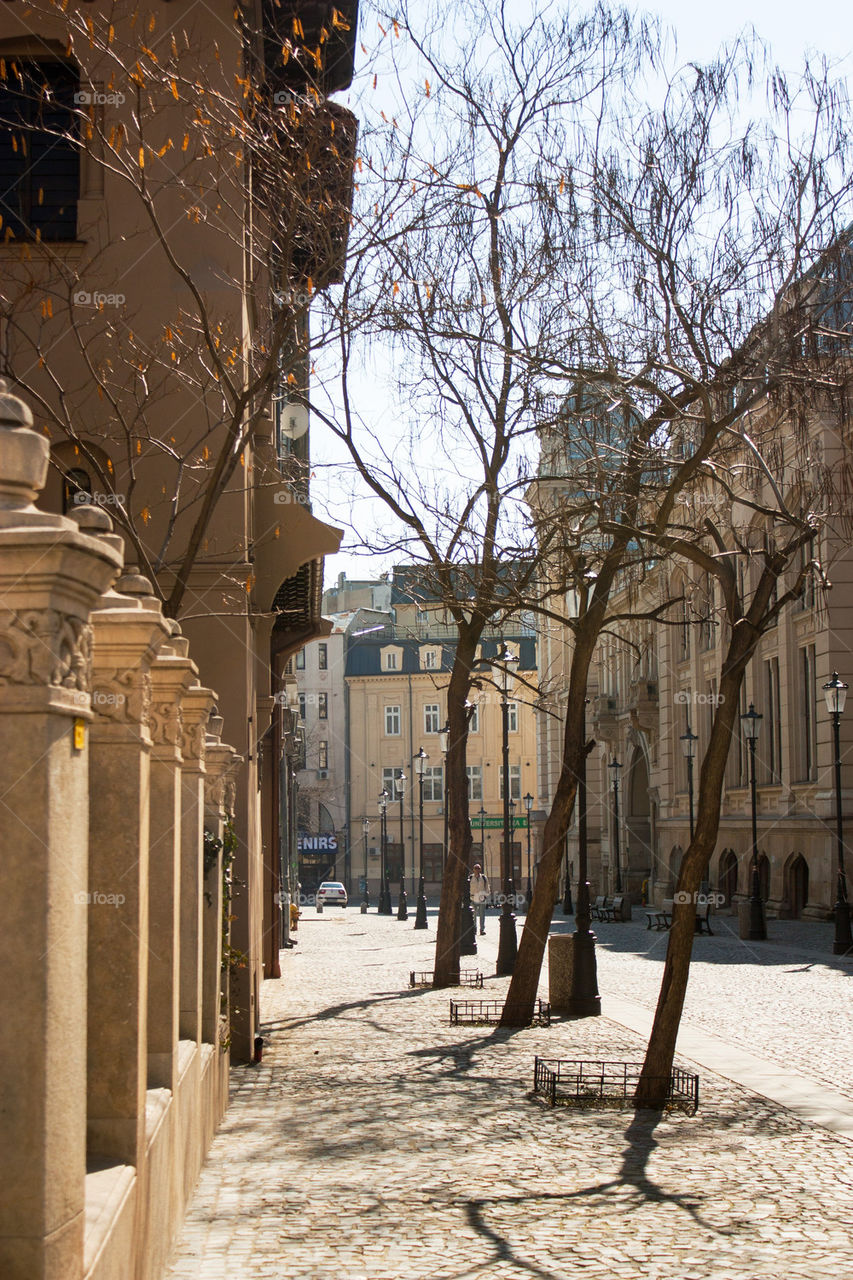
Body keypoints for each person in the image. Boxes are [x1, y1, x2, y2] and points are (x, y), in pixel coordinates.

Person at [469, 863, 490, 935]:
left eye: (478, 868)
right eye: (476, 868)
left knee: (482, 915)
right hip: (473, 898)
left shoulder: (484, 878)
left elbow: (487, 887)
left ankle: (482, 929)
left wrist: (485, 896)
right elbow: (468, 888)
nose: (477, 870)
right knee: (473, 915)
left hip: (481, 899)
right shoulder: (471, 878)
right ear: (473, 870)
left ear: (480, 869)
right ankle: (474, 929)